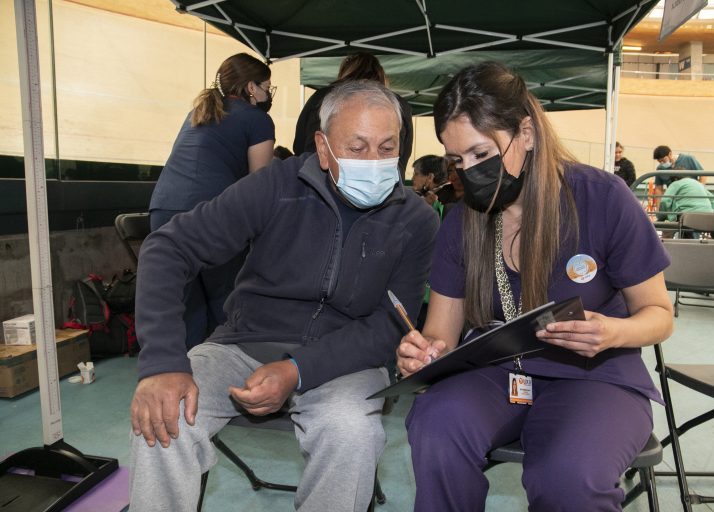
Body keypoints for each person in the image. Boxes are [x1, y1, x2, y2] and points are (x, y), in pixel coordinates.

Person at [129, 80, 440, 512]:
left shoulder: (417, 221)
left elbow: (390, 323)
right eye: (357, 147)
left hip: (345, 363)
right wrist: (163, 362)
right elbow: (168, 248)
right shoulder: (277, 185)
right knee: (165, 415)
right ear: (323, 148)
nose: (375, 162)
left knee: (350, 432)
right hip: (243, 345)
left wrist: (297, 370)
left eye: (388, 148)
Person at [397, 62, 674, 512]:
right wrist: (424, 354)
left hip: (596, 376)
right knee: (436, 423)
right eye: (457, 161)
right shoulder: (463, 222)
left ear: (525, 133)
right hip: (497, 371)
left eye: (481, 154)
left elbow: (659, 315)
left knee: (569, 476)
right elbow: (440, 335)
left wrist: (612, 331)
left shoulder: (602, 198)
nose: (469, 172)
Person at [148, 53, 276, 349]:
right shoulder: (257, 119)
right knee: (225, 299)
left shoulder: (199, 112)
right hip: (210, 214)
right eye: (266, 87)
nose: (268, 94)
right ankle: (223, 364)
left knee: (186, 304)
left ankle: (188, 367)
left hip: (163, 210)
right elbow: (259, 184)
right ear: (251, 87)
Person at [292, 52, 414, 175]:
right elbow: (403, 157)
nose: (372, 161)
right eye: (357, 148)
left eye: (386, 148)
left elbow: (299, 146)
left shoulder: (321, 97)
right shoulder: (399, 104)